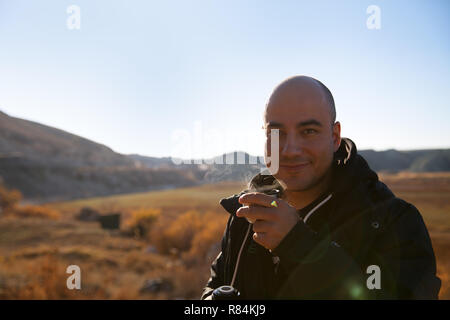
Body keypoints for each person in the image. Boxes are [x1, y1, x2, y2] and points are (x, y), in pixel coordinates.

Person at [200, 75, 441, 299]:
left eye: (309, 131)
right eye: (276, 133)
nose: (290, 150)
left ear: (335, 137)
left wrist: (298, 245)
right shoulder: (248, 213)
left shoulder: (392, 222)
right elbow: (217, 283)